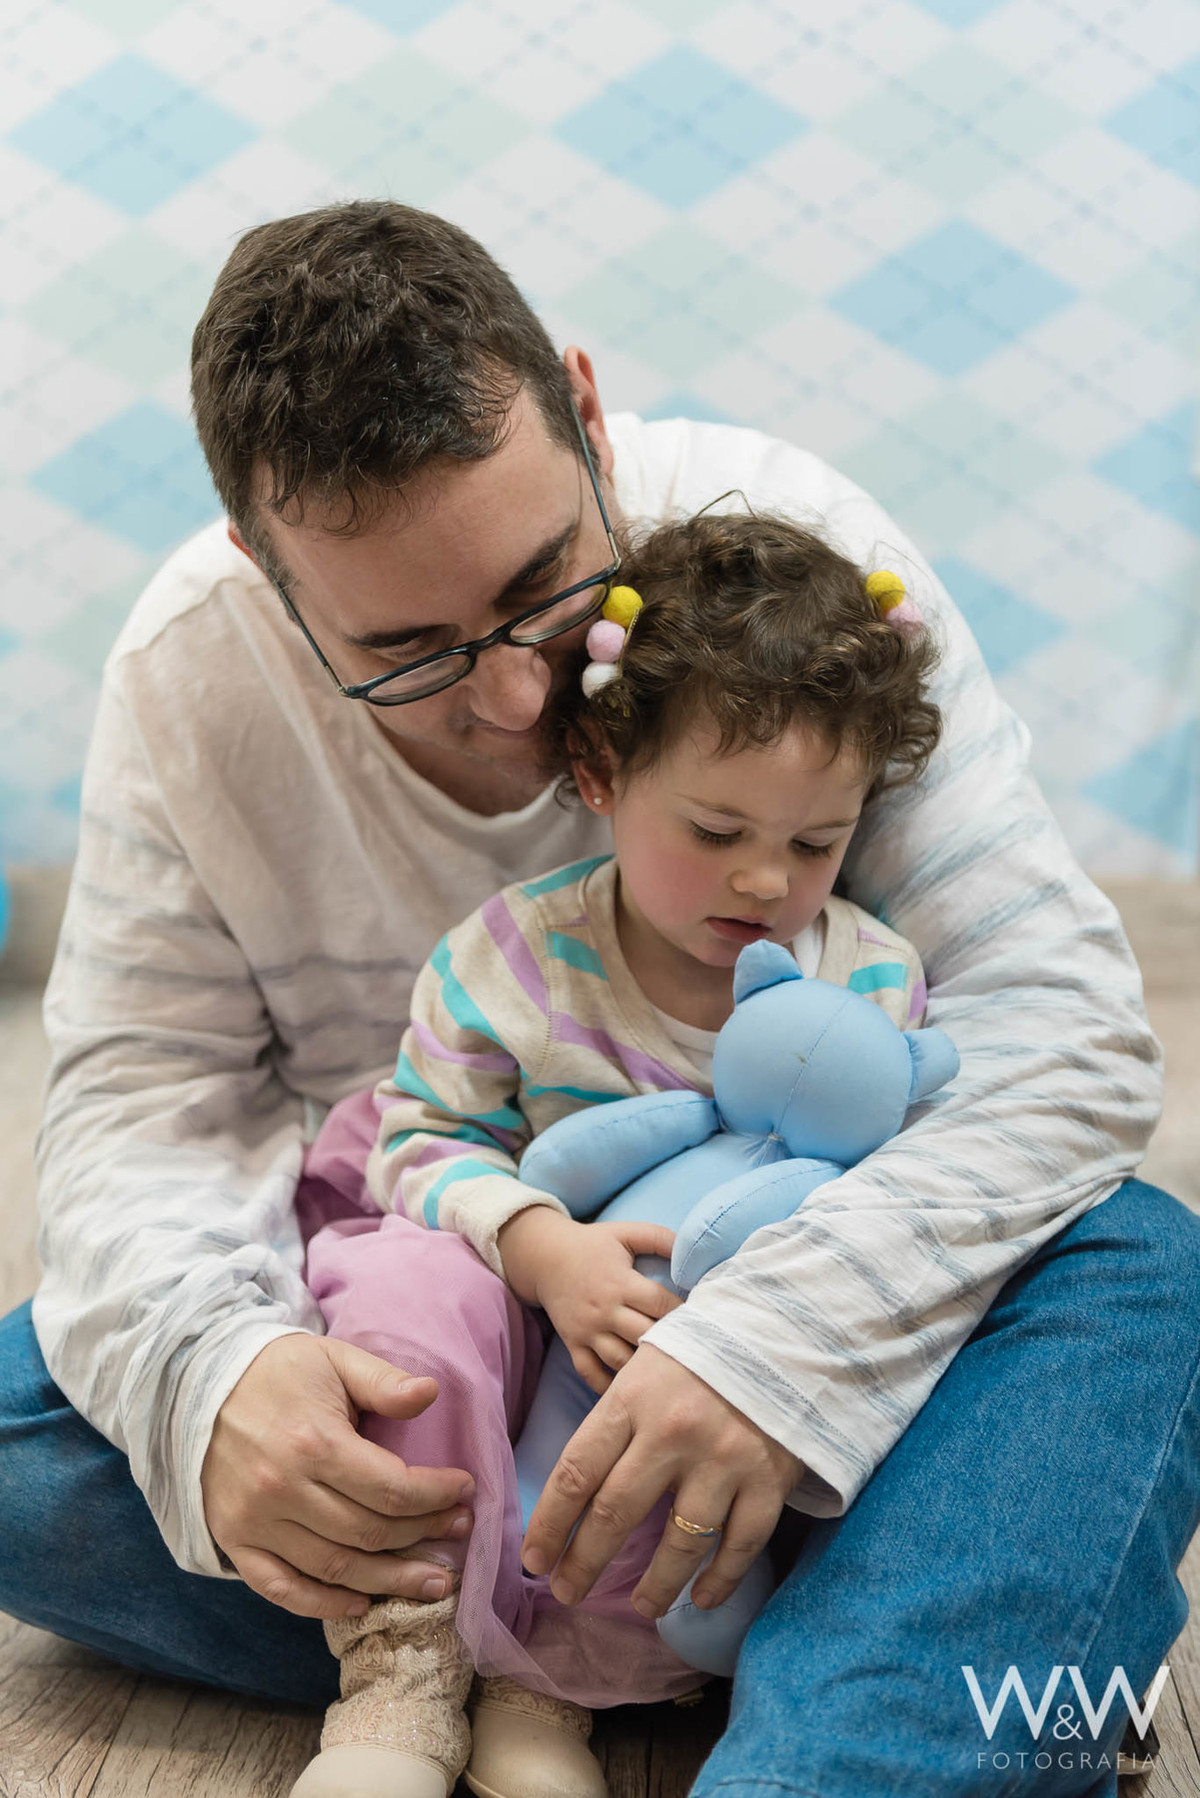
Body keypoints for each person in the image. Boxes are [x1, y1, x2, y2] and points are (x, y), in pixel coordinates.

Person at [0, 198, 1195, 1798]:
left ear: (582, 403)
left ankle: (833, 1699)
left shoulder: (798, 575)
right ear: (265, 570)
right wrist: (217, 1388)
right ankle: (910, 1647)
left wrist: (772, 1353)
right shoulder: (192, 671)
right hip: (448, 1331)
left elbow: (1063, 1035)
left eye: (544, 580)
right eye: (407, 651)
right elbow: (146, 1102)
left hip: (811, 1301)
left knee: (1136, 1275)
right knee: (38, 1412)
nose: (515, 696)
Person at [289, 509, 942, 1798]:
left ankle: (570, 1685)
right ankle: (404, 1673)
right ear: (601, 774)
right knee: (406, 1303)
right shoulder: (519, 957)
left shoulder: (870, 978)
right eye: (714, 831)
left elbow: (897, 1194)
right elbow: (417, 1144)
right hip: (527, 1300)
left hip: (724, 1351)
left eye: (815, 844)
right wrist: (543, 1252)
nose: (766, 880)